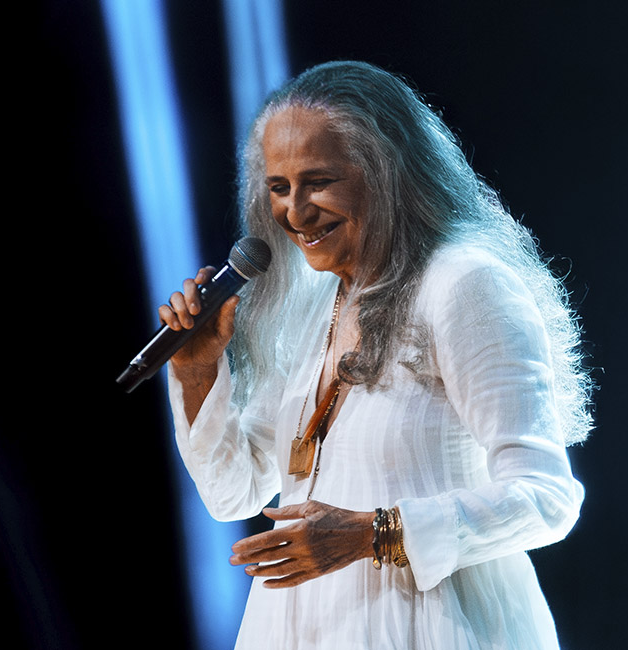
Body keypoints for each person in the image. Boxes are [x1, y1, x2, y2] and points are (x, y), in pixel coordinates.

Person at [159, 61, 591, 649]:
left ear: (387, 172)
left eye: (318, 181)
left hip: (431, 625)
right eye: (279, 187)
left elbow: (547, 498)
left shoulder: (462, 283)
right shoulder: (314, 304)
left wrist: (374, 534)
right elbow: (235, 492)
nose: (295, 212)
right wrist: (196, 370)